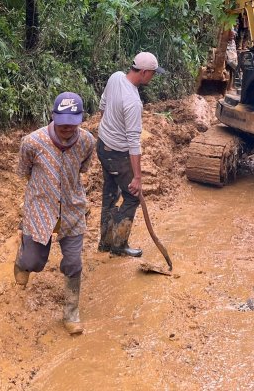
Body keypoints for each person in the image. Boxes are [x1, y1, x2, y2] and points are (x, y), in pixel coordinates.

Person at [14, 92, 95, 335]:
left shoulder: (87, 142)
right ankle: (21, 261)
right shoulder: (32, 142)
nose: (67, 127)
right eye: (63, 122)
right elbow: (24, 171)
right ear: (53, 116)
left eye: (73, 122)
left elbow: (83, 168)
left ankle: (71, 313)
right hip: (40, 209)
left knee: (73, 262)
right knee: (34, 262)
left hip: (72, 209)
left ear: (80, 119)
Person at [97, 52, 167, 258]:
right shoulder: (133, 103)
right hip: (117, 154)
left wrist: (109, 130)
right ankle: (119, 245)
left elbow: (103, 105)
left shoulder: (115, 76)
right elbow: (133, 143)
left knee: (110, 193)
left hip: (102, 146)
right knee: (131, 196)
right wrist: (137, 177)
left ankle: (105, 243)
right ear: (144, 72)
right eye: (152, 74)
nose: (152, 78)